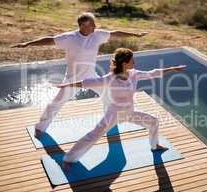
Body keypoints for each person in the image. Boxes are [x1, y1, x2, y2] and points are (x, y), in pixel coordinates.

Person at [11, 12, 149, 137]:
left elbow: (115, 33)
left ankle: (109, 120)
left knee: (108, 96)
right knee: (56, 103)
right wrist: (28, 43)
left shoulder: (97, 35)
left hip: (91, 76)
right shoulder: (70, 38)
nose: (95, 26)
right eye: (92, 24)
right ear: (82, 25)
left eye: (95, 23)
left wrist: (135, 34)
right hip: (72, 78)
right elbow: (50, 39)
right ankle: (41, 127)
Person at [57, 48, 186, 171]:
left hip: (129, 112)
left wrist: (172, 69)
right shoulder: (110, 78)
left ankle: (155, 145)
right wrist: (67, 84)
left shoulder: (133, 74)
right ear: (124, 63)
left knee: (153, 122)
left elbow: (152, 73)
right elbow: (88, 82)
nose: (134, 62)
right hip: (113, 114)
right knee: (93, 135)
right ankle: (68, 159)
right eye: (132, 60)